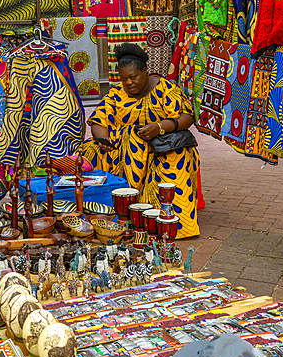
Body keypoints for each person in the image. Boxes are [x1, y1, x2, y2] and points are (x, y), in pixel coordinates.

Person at [82, 44, 199, 237]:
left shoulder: (166, 89)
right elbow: (99, 119)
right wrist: (102, 138)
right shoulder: (116, 93)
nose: (128, 83)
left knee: (178, 157)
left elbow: (186, 117)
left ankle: (167, 223)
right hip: (123, 151)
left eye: (133, 77)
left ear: (145, 70)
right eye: (124, 79)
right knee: (90, 150)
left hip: (162, 147)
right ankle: (106, 215)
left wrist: (160, 127)